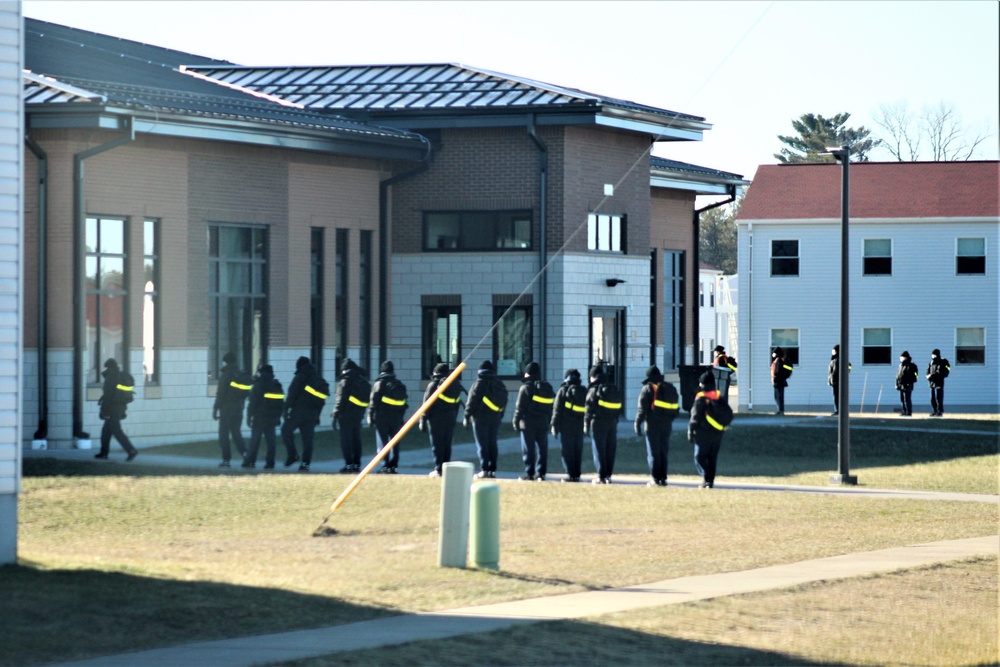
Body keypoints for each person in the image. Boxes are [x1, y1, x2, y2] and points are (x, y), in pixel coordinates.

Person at [634, 365, 679, 487]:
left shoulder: (647, 389)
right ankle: (663, 478)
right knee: (663, 451)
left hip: (652, 425)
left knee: (653, 452)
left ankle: (655, 478)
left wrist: (637, 424)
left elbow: (641, 409)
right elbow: (675, 409)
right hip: (666, 425)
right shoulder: (669, 388)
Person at [281, 356, 328, 472]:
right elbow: (322, 400)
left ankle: (293, 455)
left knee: (285, 430)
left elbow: (291, 395)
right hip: (312, 413)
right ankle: (305, 463)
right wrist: (317, 414)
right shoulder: (318, 379)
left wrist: (286, 411)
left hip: (298, 412)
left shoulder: (300, 377)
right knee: (308, 439)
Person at [420, 362, 466, 477]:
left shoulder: (433, 385)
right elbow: (457, 403)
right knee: (447, 444)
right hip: (450, 418)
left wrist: (423, 420)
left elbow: (427, 405)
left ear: (435, 373)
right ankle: (446, 467)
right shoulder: (455, 385)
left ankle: (438, 468)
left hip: (436, 419)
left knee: (437, 444)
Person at [688, 371, 732, 488]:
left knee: (699, 456)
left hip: (703, 432)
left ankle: (705, 478)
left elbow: (695, 416)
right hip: (718, 433)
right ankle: (710, 481)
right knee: (712, 457)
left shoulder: (701, 398)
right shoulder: (719, 397)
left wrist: (691, 431)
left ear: (702, 384)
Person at [512, 361, 555, 481]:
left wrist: (516, 421)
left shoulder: (525, 388)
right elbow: (552, 406)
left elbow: (519, 407)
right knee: (542, 449)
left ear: (528, 374)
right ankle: (541, 473)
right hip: (543, 422)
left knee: (529, 449)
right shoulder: (547, 387)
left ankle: (529, 473)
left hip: (527, 423)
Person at [464, 360, 507, 479]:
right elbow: (504, 401)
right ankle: (493, 470)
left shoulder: (478, 384)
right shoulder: (500, 384)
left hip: (480, 419)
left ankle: (484, 469)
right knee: (492, 443)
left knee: (482, 445)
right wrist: (500, 414)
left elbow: (471, 401)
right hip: (495, 418)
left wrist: (467, 416)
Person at [584, 364, 623, 484]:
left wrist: (586, 425)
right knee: (610, 449)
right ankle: (608, 476)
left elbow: (588, 409)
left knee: (599, 450)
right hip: (612, 423)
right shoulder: (613, 388)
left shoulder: (593, 390)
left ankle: (601, 476)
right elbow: (619, 407)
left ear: (593, 376)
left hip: (598, 423)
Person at [368, 360, 408, 474]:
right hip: (396, 418)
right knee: (395, 442)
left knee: (383, 442)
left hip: (382, 417)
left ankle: (384, 465)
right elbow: (404, 403)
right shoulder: (399, 384)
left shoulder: (379, 384)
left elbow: (373, 402)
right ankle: (393, 465)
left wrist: (370, 416)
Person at [331, 359, 371, 474]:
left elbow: (340, 400)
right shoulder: (361, 380)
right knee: (356, 440)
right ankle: (357, 465)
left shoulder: (345, 381)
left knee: (346, 440)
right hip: (358, 414)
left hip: (346, 415)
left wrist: (335, 415)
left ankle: (348, 465)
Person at [94, 358, 138, 461]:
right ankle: (104, 453)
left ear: (108, 367)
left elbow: (108, 396)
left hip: (111, 408)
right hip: (120, 407)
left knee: (117, 431)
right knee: (106, 431)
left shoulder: (111, 377)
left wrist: (104, 411)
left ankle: (131, 450)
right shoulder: (121, 376)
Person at [213, 351, 249, 468]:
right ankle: (246, 454)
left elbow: (220, 393)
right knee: (236, 433)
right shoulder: (240, 374)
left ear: (226, 362)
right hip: (238, 408)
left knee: (223, 435)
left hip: (226, 409)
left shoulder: (226, 374)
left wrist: (215, 409)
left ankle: (226, 460)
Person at [244, 364, 284, 469]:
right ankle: (270, 463)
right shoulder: (277, 385)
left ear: (261, 373)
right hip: (272, 418)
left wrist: (249, 417)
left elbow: (252, 403)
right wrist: (279, 417)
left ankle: (250, 462)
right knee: (271, 442)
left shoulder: (258, 385)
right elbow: (280, 403)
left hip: (259, 418)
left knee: (255, 441)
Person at [551, 368, 587, 482]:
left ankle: (570, 474)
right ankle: (577, 474)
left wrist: (554, 426)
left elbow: (557, 410)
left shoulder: (563, 390)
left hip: (566, 426)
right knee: (578, 450)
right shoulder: (584, 391)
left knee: (567, 451)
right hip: (580, 425)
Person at [926, 349, 951, 417]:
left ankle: (939, 411)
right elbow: (928, 370)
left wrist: (932, 375)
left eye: (934, 354)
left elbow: (941, 371)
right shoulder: (931, 363)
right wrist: (928, 375)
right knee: (932, 398)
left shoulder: (942, 362)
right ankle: (934, 411)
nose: (933, 356)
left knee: (938, 398)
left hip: (939, 382)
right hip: (932, 383)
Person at [827, 344, 850, 416]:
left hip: (839, 381)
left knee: (839, 396)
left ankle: (840, 410)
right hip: (834, 382)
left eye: (834, 351)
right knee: (836, 396)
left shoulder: (841, 359)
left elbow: (848, 367)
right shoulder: (833, 360)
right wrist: (830, 380)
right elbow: (831, 372)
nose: (832, 352)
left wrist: (844, 374)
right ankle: (838, 410)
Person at [895, 351, 918, 417]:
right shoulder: (900, 366)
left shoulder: (911, 366)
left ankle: (908, 411)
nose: (900, 358)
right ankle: (904, 411)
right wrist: (897, 384)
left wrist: (909, 382)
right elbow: (897, 375)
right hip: (901, 385)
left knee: (907, 399)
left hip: (908, 385)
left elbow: (915, 375)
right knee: (902, 399)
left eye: (902, 357)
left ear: (905, 358)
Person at [770, 347, 793, 415]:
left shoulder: (779, 361)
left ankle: (780, 410)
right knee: (779, 396)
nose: (772, 354)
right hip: (780, 381)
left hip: (778, 381)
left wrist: (776, 378)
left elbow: (778, 371)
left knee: (778, 396)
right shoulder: (779, 360)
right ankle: (780, 410)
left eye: (774, 353)